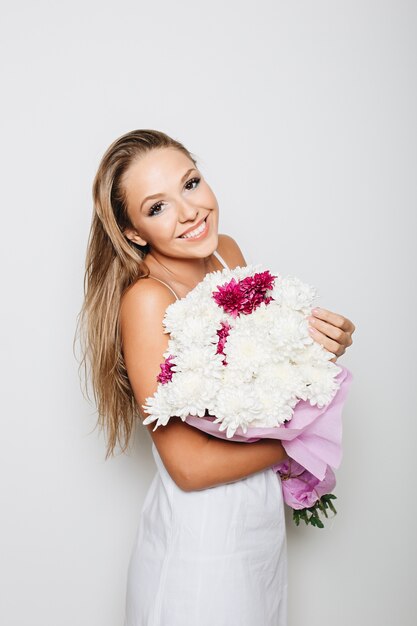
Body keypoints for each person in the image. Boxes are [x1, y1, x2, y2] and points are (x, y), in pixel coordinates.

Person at [77, 129, 355, 626]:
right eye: (156, 207)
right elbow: (189, 468)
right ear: (135, 232)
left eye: (190, 183)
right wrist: (305, 437)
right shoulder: (148, 299)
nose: (188, 212)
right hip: (200, 547)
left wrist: (321, 346)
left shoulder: (227, 252)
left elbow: (266, 368)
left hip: (258, 529)